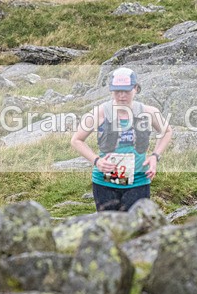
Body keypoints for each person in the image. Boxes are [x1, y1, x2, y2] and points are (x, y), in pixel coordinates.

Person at [71, 67, 172, 212]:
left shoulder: (148, 112)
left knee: (135, 228)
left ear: (136, 88)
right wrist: (96, 161)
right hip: (104, 183)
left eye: (126, 91)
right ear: (111, 90)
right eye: (117, 91)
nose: (122, 96)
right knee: (110, 229)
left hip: (138, 182)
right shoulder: (100, 112)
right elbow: (76, 140)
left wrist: (155, 156)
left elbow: (167, 131)